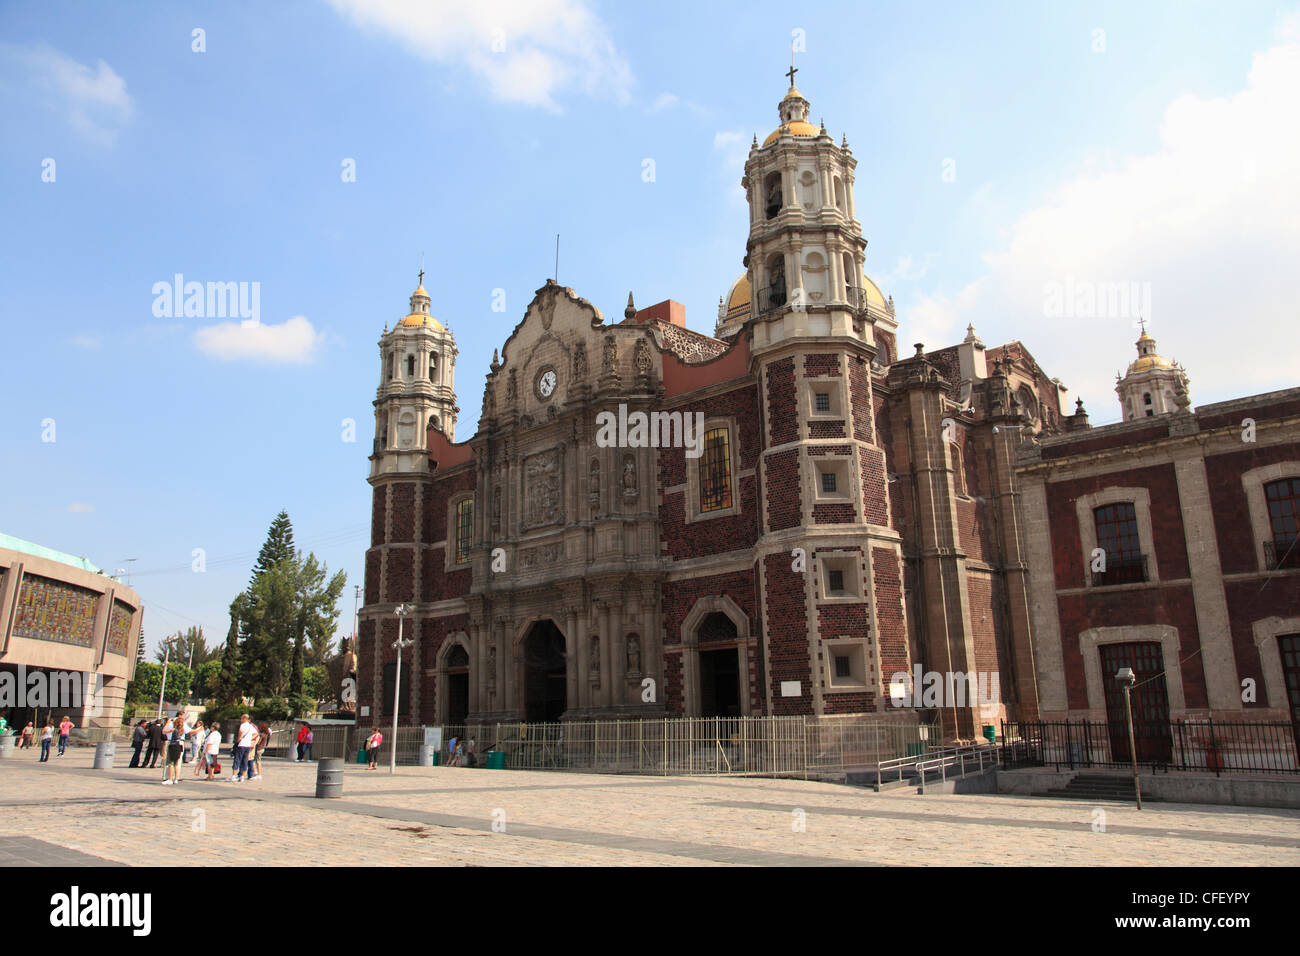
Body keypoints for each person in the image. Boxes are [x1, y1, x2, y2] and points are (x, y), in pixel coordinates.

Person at [232, 714, 256, 783]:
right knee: (245, 760)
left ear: (244, 719)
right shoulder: (250, 726)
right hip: (247, 745)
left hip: (242, 744)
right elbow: (256, 734)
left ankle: (234, 775)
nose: (240, 719)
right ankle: (242, 776)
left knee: (237, 759)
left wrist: (240, 738)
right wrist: (249, 738)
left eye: (241, 718)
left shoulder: (243, 725)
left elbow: (240, 733)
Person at [163, 715, 185, 785]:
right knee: (176, 763)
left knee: (170, 763)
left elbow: (164, 731)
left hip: (173, 745)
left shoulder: (174, 729)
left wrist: (167, 723)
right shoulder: (182, 730)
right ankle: (176, 779)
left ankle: (170, 779)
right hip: (179, 746)